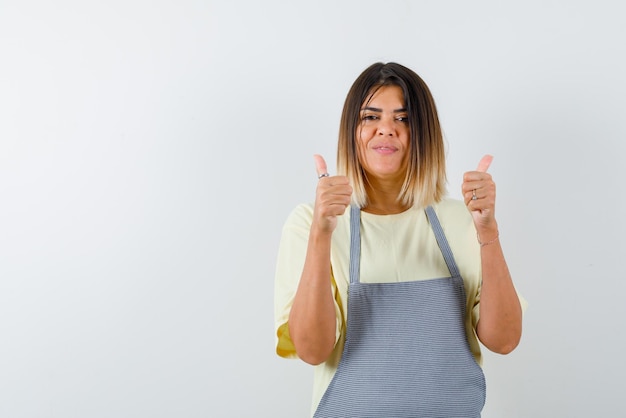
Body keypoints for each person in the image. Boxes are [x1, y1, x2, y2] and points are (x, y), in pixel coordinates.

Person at [274, 62, 524, 417]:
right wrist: (321, 234)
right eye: (370, 117)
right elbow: (312, 350)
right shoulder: (308, 224)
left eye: (403, 119)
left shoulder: (462, 220)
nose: (386, 130)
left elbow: (505, 340)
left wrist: (487, 230)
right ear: (351, 131)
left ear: (424, 133)